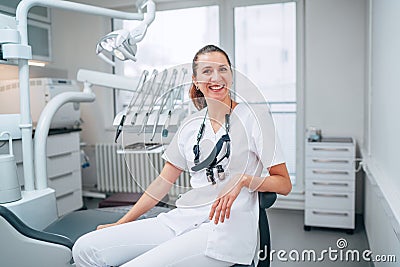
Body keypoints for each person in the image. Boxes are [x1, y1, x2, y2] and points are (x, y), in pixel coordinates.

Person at [72, 44, 292, 267]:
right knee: (85, 248)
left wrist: (245, 180)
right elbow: (162, 182)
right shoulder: (190, 125)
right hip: (183, 219)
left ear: (231, 76)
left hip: (226, 229)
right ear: (196, 81)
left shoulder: (256, 119)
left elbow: (284, 184)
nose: (216, 77)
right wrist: (122, 223)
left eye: (223, 69)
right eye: (207, 71)